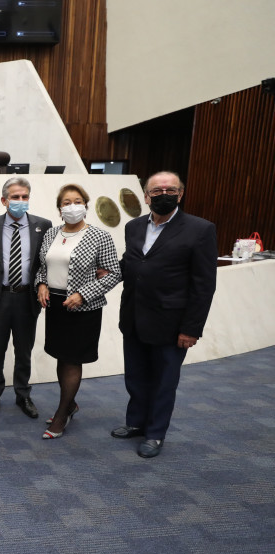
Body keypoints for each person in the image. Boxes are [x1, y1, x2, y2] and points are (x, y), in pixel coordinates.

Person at [112, 171, 217, 458]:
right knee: (135, 376)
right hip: (133, 317)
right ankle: (136, 422)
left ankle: (155, 433)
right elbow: (131, 263)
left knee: (163, 381)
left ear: (180, 194)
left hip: (171, 324)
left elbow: (204, 285)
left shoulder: (200, 229)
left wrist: (191, 328)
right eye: (156, 191)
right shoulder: (133, 227)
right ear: (146, 196)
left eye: (170, 190)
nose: (163, 195)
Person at [35, 184, 121, 439]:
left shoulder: (100, 236)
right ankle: (70, 403)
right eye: (66, 202)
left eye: (77, 201)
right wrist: (41, 283)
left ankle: (62, 414)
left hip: (83, 307)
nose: (72, 206)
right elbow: (43, 265)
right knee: (61, 356)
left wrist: (83, 293)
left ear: (85, 205)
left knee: (73, 359)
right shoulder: (51, 233)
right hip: (56, 305)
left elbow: (114, 273)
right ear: (59, 209)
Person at [0, 177, 52, 419]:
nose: (20, 201)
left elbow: (47, 263)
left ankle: (23, 394)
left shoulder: (43, 225)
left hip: (27, 299)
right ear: (4, 200)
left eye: (24, 197)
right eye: (15, 197)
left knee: (24, 351)